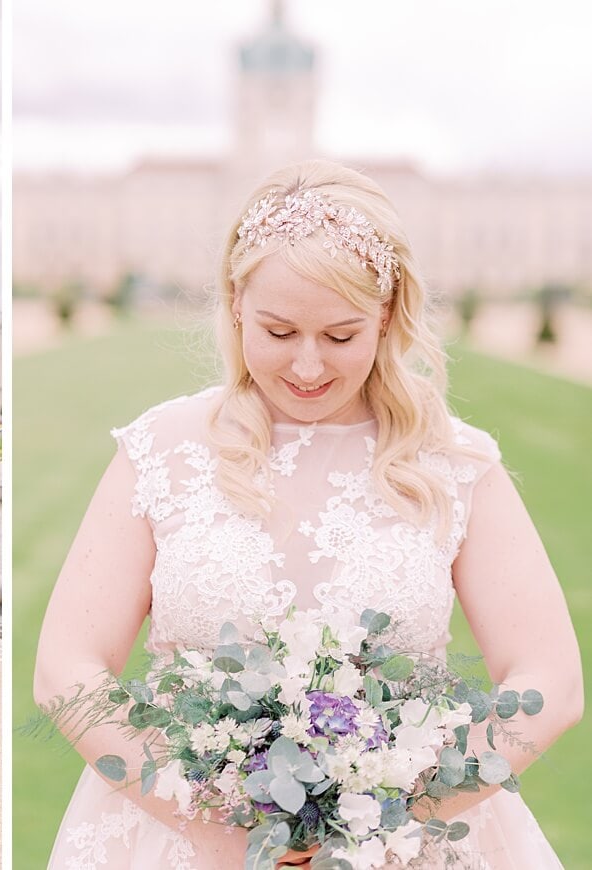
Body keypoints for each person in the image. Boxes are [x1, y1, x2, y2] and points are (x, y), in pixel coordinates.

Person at [33, 160, 583, 868]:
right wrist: (206, 822)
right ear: (235, 304)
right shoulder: (161, 450)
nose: (308, 366)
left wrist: (389, 821)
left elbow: (551, 681)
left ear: (386, 316)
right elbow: (65, 669)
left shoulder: (454, 463)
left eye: (342, 336)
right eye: (279, 330)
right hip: (180, 837)